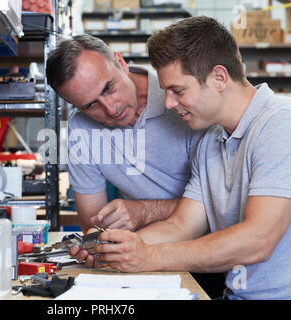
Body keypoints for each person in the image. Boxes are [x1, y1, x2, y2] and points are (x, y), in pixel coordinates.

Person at [93, 16, 291, 300]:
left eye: (178, 90)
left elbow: (258, 240)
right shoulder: (211, 142)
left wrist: (150, 256)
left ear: (219, 77)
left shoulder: (285, 124)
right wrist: (111, 249)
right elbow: (181, 226)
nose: (170, 103)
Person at [45, 34, 206, 262]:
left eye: (108, 88)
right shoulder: (81, 128)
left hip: (210, 252)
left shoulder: (181, 99)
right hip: (145, 254)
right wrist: (97, 244)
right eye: (91, 105)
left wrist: (144, 211)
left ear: (120, 63)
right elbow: (94, 223)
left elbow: (218, 203)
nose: (110, 109)